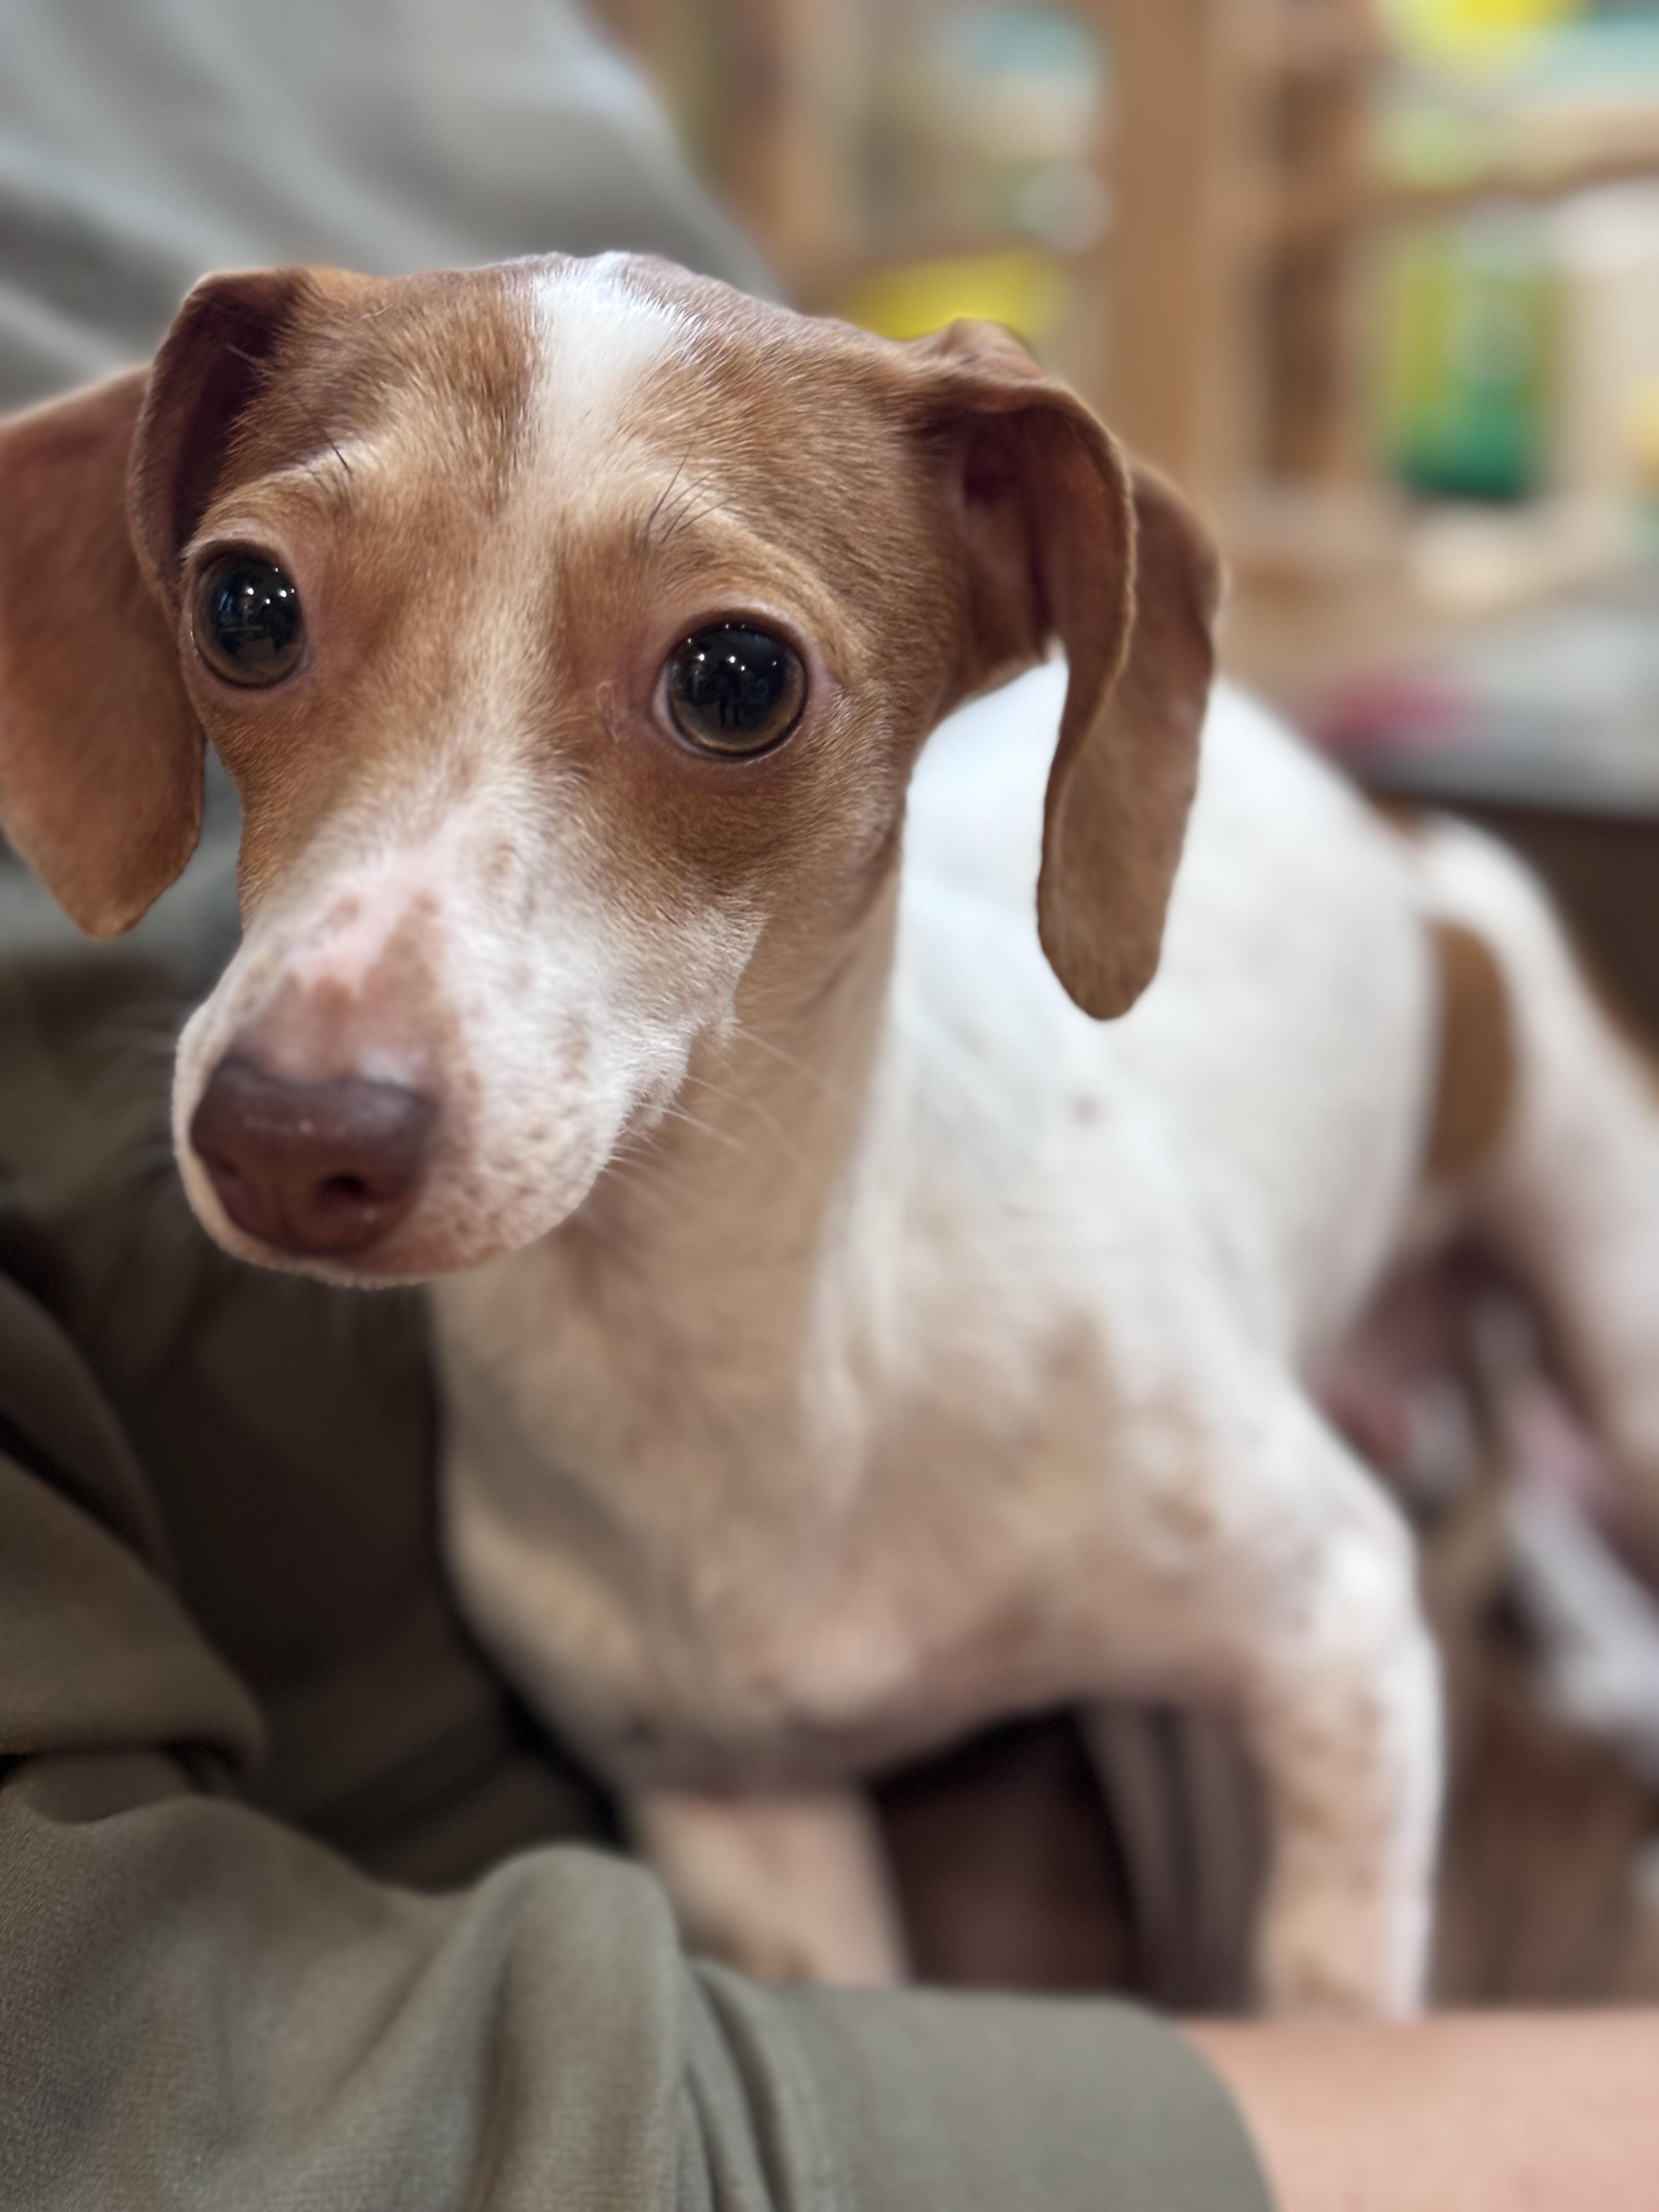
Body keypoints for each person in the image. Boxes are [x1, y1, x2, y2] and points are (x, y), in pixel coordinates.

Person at [1, 6, 1656, 2207]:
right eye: (264, 612)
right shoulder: (549, 1563)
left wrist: (1337, 2063)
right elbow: (713, 1757)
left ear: (1017, 586)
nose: (330, 1041)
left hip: (1445, 1024)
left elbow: (1330, 1619)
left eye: (724, 679)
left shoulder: (1085, 1355)